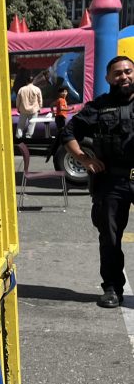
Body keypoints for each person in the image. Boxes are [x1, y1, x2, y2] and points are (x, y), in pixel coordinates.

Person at [61, 55, 134, 308]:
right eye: (118, 73)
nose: (124, 76)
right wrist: (84, 159)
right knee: (110, 238)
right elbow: (68, 132)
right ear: (108, 78)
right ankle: (112, 288)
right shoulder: (98, 107)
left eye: (128, 71)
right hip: (112, 181)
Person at [15, 74, 44, 139]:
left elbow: (18, 100)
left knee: (20, 125)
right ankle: (28, 136)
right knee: (32, 124)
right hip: (34, 110)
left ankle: (18, 136)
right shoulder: (37, 89)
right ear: (32, 81)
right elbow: (40, 100)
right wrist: (40, 107)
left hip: (23, 109)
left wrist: (17, 108)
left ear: (26, 81)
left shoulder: (21, 89)